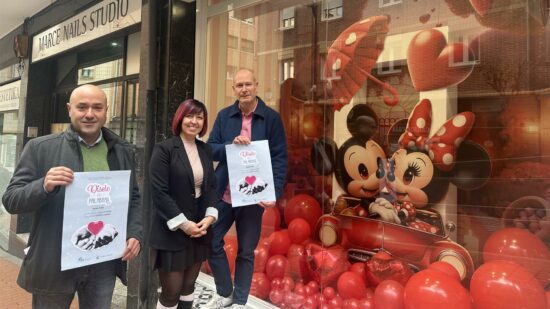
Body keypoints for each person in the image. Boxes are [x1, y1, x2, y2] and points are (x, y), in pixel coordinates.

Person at [2, 84, 142, 309]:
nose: (89, 114)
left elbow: (133, 197)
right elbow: (11, 200)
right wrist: (43, 185)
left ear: (106, 110)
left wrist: (135, 232)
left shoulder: (121, 150)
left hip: (102, 261)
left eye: (97, 107)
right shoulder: (40, 148)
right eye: (82, 107)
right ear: (69, 109)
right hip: (55, 260)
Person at [205, 68, 288, 309]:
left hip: (254, 196)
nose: (244, 89)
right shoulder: (224, 116)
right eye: (239, 85)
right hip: (225, 192)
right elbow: (210, 149)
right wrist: (231, 145)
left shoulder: (271, 118)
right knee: (211, 239)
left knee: (246, 251)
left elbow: (280, 157)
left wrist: (274, 191)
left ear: (256, 86)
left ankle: (239, 302)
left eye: (248, 84)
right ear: (234, 90)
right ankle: (225, 292)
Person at [149, 99, 218, 309]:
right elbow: (159, 192)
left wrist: (209, 217)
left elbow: (211, 187)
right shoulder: (164, 149)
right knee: (171, 293)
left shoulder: (205, 150)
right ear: (180, 118)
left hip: (199, 229)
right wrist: (184, 224)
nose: (194, 121)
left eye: (199, 117)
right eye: (189, 116)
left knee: (189, 287)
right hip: (173, 230)